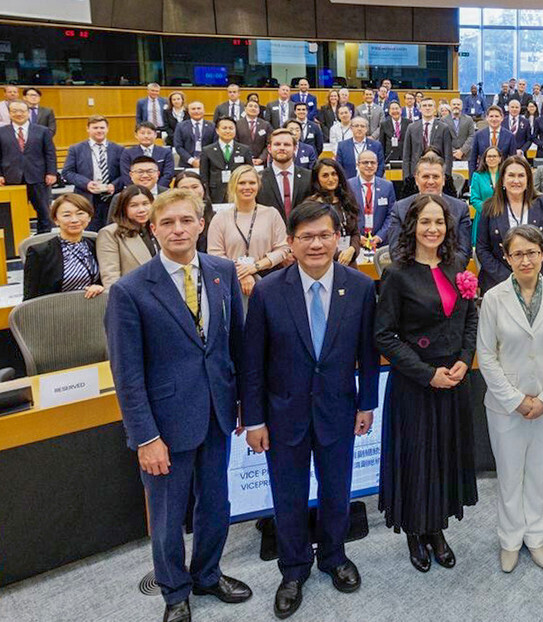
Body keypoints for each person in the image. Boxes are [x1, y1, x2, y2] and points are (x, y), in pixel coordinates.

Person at [105, 189, 252, 622]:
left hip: (218, 413)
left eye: (186, 221)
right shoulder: (130, 290)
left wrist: (244, 404)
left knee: (216, 504)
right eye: (167, 223)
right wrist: (145, 436)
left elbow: (235, 347)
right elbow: (126, 375)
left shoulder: (223, 272)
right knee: (168, 517)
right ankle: (175, 591)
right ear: (153, 229)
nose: (178, 230)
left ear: (201, 224)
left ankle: (208, 573)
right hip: (164, 425)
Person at [241, 201, 377, 618]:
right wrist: (255, 419)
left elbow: (368, 353)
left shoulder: (360, 287)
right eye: (306, 237)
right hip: (284, 416)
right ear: (290, 243)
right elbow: (253, 362)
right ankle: (294, 568)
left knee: (338, 491)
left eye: (324, 235)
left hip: (339, 410)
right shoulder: (267, 290)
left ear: (338, 239)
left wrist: (367, 403)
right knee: (289, 495)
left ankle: (334, 557)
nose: (316, 243)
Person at [375, 193, 479, 573]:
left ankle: (437, 528)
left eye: (440, 222)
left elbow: (470, 320)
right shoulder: (396, 274)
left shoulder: (458, 268)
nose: (433, 228)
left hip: (452, 381)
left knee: (443, 457)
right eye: (425, 222)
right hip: (415, 383)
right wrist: (426, 373)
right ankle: (415, 532)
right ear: (411, 227)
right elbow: (384, 335)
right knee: (417, 460)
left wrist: (464, 362)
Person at [476, 224, 543, 573]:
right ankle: (509, 540)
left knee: (538, 473)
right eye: (517, 253)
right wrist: (516, 400)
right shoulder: (493, 298)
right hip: (506, 406)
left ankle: (536, 537)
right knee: (509, 474)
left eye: (531, 252)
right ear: (506, 257)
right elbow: (486, 355)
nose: (525, 259)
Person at [475, 156, 543, 293]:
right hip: (498, 283)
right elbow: (482, 249)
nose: (516, 181)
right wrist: (510, 279)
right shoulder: (489, 207)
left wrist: (531, 272)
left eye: (521, 176)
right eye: (511, 175)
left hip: (536, 280)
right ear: (502, 179)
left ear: (528, 179)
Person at [206, 166, 291, 297]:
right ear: (233, 185)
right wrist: (242, 273)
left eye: (252, 183)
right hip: (231, 282)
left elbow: (283, 248)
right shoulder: (220, 218)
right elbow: (215, 254)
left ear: (258, 185)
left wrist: (255, 267)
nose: (247, 187)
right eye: (241, 183)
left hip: (268, 279)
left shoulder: (271, 214)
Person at [385, 152, 473, 261]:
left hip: (449, 273)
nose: (431, 181)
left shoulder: (461, 209)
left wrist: (439, 271)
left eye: (435, 177)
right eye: (426, 176)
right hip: (411, 274)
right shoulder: (400, 209)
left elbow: (463, 253)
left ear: (444, 180)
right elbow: (396, 252)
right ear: (417, 180)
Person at [23, 193, 103, 300]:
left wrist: (101, 287)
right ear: (56, 220)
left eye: (80, 213)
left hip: (94, 307)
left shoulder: (98, 244)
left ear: (89, 217)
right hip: (56, 311)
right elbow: (30, 295)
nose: (74, 220)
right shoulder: (40, 251)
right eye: (66, 215)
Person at [0, 100, 56, 233]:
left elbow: (50, 153)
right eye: (14, 111)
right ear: (9, 113)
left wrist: (51, 173)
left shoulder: (42, 131)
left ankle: (44, 238)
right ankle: (17, 241)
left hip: (38, 177)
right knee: (14, 213)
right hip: (11, 178)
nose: (19, 114)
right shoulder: (1, 132)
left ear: (28, 112)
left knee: (43, 210)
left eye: (22, 111)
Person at [62, 115, 125, 231]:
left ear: (107, 129)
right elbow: (67, 172)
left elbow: (125, 173)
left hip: (111, 198)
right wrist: (86, 183)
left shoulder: (119, 149)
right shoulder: (76, 149)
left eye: (102, 128)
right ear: (88, 129)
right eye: (95, 128)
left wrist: (114, 186)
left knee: (112, 231)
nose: (99, 131)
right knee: (89, 233)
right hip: (86, 197)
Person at [98, 184, 157, 288]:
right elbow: (111, 277)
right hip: (134, 295)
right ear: (123, 208)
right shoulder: (110, 233)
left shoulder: (159, 228)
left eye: (145, 204)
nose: (141, 209)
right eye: (134, 205)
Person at [305, 158, 361, 266]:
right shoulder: (312, 205)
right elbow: (315, 238)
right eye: (325, 175)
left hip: (349, 260)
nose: (331, 179)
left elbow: (355, 232)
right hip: (325, 263)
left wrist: (352, 249)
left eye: (334, 174)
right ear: (317, 180)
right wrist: (339, 255)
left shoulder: (346, 200)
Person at [257, 129, 311, 224]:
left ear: (295, 148)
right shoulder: (259, 179)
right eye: (277, 144)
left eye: (287, 144)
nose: (282, 148)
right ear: (269, 148)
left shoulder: (309, 177)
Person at [348, 148, 396, 247]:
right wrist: (357, 236)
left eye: (373, 163)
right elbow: (346, 214)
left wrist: (379, 236)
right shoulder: (348, 185)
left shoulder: (387, 186)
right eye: (365, 162)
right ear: (358, 165)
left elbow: (391, 214)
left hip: (380, 243)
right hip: (356, 242)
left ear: (377, 164)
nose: (369, 166)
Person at [402, 98, 454, 187]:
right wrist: (407, 176)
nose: (427, 108)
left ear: (434, 109)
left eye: (430, 105)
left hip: (437, 172)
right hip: (416, 173)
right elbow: (406, 155)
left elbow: (448, 155)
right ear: (420, 109)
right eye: (424, 106)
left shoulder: (443, 128)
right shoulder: (411, 127)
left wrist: (446, 176)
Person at [199, 117, 251, 204]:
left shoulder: (244, 149)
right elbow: (204, 176)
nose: (228, 131)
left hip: (238, 192)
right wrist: (207, 196)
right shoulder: (207, 150)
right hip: (215, 194)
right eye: (224, 128)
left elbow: (249, 172)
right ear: (217, 130)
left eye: (231, 128)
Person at [171, 170, 216, 252]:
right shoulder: (170, 218)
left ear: (203, 187)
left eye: (195, 187)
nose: (191, 192)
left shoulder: (216, 217)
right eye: (184, 188)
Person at [335, 116, 384, 182]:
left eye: (362, 126)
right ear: (351, 128)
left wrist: (374, 180)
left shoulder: (376, 145)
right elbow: (339, 167)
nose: (359, 129)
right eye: (356, 126)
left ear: (367, 129)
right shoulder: (342, 146)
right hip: (349, 183)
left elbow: (380, 166)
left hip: (371, 183)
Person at [470, 147, 502, 246]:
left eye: (494, 156)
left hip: (502, 215)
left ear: (500, 158)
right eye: (489, 156)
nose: (491, 159)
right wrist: (488, 209)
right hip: (483, 215)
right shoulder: (477, 176)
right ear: (484, 159)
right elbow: (474, 199)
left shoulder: (506, 175)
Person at [469, 106, 516, 173]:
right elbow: (473, 160)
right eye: (491, 116)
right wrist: (472, 181)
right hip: (483, 174)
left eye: (497, 116)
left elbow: (513, 160)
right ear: (486, 118)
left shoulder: (510, 136)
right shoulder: (478, 135)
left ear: (502, 118)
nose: (494, 119)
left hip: (502, 174)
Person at [173, 102, 215, 168]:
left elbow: (214, 145)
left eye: (199, 108)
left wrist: (203, 160)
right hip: (186, 164)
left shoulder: (212, 126)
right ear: (189, 111)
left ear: (204, 111)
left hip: (208, 163)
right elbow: (178, 146)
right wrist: (192, 161)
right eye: (193, 109)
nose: (196, 111)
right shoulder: (180, 126)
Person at [448, 98, 477, 163]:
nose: (456, 106)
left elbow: (471, 136)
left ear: (462, 106)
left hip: (466, 155)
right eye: (454, 104)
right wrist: (454, 152)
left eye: (458, 104)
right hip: (449, 155)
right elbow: (443, 138)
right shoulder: (444, 120)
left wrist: (462, 151)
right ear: (450, 106)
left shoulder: (469, 119)